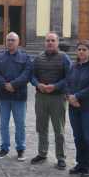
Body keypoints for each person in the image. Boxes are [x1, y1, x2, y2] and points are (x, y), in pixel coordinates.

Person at [30, 32, 71, 169]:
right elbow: (32, 76)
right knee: (41, 127)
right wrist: (38, 84)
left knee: (58, 129)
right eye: (47, 40)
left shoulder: (64, 58)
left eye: (52, 40)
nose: (50, 43)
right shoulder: (38, 58)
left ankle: (61, 157)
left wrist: (55, 86)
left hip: (58, 98)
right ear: (44, 42)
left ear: (57, 43)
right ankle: (42, 153)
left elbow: (69, 77)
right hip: (41, 97)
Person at [0, 32, 32, 161]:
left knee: (20, 124)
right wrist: (4, 84)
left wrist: (13, 85)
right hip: (3, 96)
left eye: (13, 40)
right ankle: (4, 148)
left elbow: (27, 74)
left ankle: (20, 149)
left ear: (18, 42)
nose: (10, 42)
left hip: (19, 96)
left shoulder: (25, 57)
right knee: (3, 124)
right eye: (8, 40)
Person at [66, 40, 89, 177]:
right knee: (78, 137)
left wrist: (76, 96)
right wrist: (69, 96)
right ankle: (80, 163)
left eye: (84, 49)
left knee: (88, 137)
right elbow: (67, 83)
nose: (81, 52)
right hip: (73, 107)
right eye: (79, 49)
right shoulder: (73, 67)